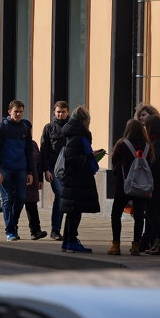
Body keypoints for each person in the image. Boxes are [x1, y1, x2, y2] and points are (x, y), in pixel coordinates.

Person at [59, 106, 102, 253]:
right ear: (84, 121)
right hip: (76, 180)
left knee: (72, 211)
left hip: (75, 180)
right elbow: (72, 159)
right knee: (74, 212)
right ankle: (71, 240)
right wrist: (91, 156)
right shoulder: (77, 137)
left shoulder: (75, 135)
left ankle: (67, 241)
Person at [107, 117, 153, 255]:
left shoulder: (122, 144)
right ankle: (136, 246)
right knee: (139, 216)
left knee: (116, 214)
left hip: (123, 186)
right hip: (141, 186)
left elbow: (115, 165)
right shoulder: (147, 146)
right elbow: (151, 163)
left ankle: (116, 245)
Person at [0, 100, 35, 242]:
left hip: (21, 168)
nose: (19, 114)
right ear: (9, 111)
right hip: (5, 169)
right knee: (8, 199)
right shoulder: (2, 128)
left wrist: (29, 171)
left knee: (21, 198)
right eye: (16, 111)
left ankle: (13, 224)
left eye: (21, 111)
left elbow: (29, 150)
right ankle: (10, 231)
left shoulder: (25, 126)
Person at [39, 101, 70, 239]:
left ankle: (67, 231)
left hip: (69, 168)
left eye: (63, 112)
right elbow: (43, 150)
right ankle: (55, 230)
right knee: (60, 195)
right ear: (54, 112)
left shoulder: (72, 128)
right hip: (53, 168)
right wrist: (46, 170)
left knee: (66, 198)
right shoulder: (49, 128)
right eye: (58, 112)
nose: (60, 114)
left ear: (67, 112)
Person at [141, 112, 160, 255]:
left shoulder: (156, 144)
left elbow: (154, 167)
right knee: (155, 213)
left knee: (153, 214)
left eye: (146, 127)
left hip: (157, 186)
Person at [22, 130, 47, 240]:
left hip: (33, 181)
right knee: (16, 207)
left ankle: (36, 231)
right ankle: (12, 230)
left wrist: (40, 179)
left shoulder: (33, 144)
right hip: (20, 178)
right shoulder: (18, 144)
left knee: (32, 205)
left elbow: (39, 163)